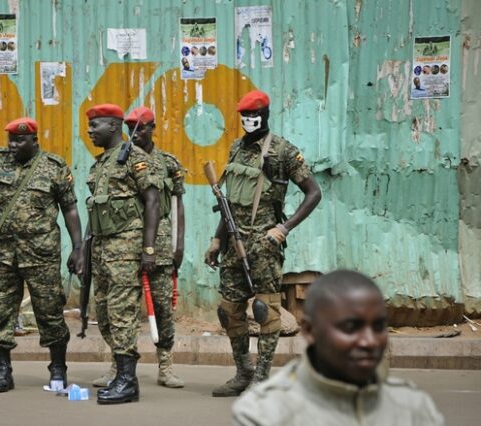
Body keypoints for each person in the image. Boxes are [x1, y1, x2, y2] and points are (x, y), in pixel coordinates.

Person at [205, 89, 322, 397]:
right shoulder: (235, 149)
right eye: (243, 117)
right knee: (228, 311)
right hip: (234, 243)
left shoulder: (283, 150)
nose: (248, 122)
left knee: (264, 310)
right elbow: (229, 202)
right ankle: (243, 372)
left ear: (265, 116)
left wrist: (284, 228)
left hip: (264, 245)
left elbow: (314, 193)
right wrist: (217, 239)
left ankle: (261, 376)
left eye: (253, 117)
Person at [0, 117, 84, 393]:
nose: (14, 145)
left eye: (20, 140)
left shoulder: (53, 167)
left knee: (50, 312)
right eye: (11, 140)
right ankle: (2, 371)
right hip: (3, 255)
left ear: (34, 141)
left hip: (42, 255)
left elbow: (70, 209)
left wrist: (78, 248)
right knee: (1, 313)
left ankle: (57, 369)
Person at [232, 270, 444, 425]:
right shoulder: (262, 412)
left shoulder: (414, 407)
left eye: (378, 326)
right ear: (309, 330)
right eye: (350, 327)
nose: (369, 341)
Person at [84, 104, 161, 404]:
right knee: (102, 314)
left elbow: (152, 201)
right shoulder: (100, 164)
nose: (90, 131)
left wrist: (149, 248)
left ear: (114, 127)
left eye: (96, 125)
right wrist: (84, 250)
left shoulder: (135, 159)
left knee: (122, 314)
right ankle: (120, 373)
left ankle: (128, 381)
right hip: (102, 249)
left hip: (126, 249)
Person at [125, 106, 186, 388]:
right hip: (125, 243)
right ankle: (118, 366)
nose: (134, 135)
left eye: (140, 128)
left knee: (163, 308)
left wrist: (179, 245)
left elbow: (177, 205)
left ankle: (166, 367)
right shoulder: (120, 160)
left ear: (152, 128)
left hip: (161, 244)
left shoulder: (168, 163)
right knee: (122, 308)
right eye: (130, 130)